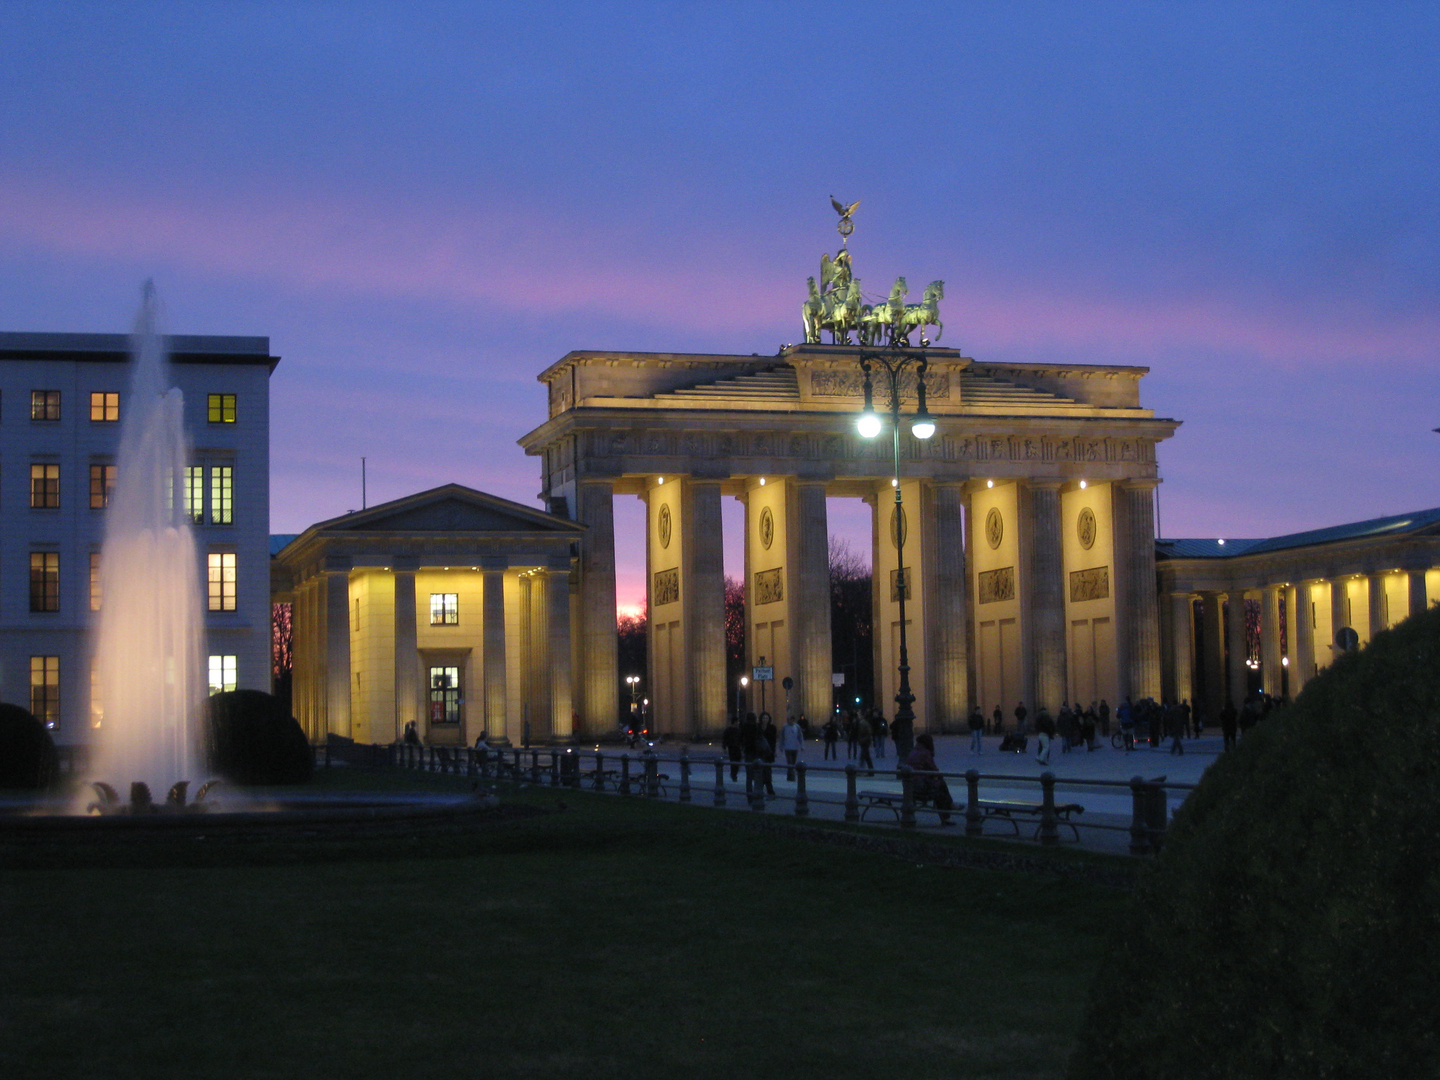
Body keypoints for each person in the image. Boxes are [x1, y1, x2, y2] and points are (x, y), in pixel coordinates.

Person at [904, 734, 954, 825]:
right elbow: (934, 770)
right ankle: (947, 815)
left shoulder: (913, 752)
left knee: (940, 786)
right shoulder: (925, 753)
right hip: (920, 787)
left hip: (909, 787)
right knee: (940, 790)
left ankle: (950, 808)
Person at [779, 714, 804, 781]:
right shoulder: (785, 727)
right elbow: (782, 737)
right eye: (788, 720)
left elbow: (800, 736)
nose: (789, 721)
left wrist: (802, 745)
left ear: (793, 720)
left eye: (790, 720)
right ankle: (792, 777)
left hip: (795, 748)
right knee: (790, 763)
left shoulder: (797, 727)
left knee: (793, 763)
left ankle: (789, 776)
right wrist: (781, 746)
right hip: (787, 748)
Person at [722, 715, 743, 780]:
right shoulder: (729, 730)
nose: (738, 723)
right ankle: (733, 774)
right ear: (735, 722)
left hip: (737, 747)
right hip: (732, 748)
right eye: (737, 722)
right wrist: (724, 747)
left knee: (737, 761)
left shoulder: (738, 730)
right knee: (733, 761)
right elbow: (725, 739)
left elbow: (741, 739)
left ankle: (734, 773)